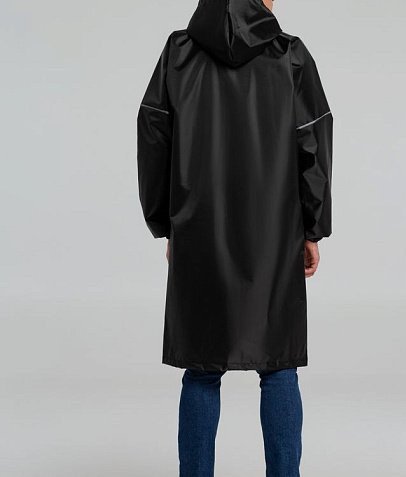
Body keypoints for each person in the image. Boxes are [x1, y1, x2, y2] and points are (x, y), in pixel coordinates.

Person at [137, 0, 333, 475]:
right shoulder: (290, 55)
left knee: (201, 370)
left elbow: (153, 134)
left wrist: (167, 223)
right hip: (274, 238)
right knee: (278, 365)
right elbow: (313, 141)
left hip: (198, 233)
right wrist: (313, 227)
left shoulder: (178, 53)